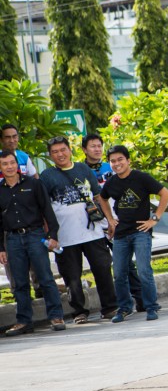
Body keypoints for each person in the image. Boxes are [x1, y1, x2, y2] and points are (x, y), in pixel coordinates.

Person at [40, 136, 119, 324]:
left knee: (102, 268)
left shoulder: (83, 169)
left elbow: (99, 197)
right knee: (72, 276)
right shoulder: (46, 177)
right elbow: (43, 207)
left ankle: (109, 307)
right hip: (65, 235)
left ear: (70, 150)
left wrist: (109, 220)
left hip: (92, 231)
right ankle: (79, 312)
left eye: (63, 150)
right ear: (50, 155)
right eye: (55, 152)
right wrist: (50, 234)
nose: (60, 154)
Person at [98, 145, 168, 322]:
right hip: (121, 234)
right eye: (113, 161)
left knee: (144, 270)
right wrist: (110, 219)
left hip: (141, 231)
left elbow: (165, 194)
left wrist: (155, 218)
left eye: (120, 159)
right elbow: (102, 198)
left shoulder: (141, 178)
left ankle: (151, 307)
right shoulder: (112, 183)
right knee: (119, 273)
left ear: (128, 160)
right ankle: (124, 308)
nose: (117, 164)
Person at [0, 150, 65, 336]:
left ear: (17, 165)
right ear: (1, 167)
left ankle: (56, 316)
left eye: (12, 163)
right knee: (19, 283)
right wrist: (0, 248)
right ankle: (24, 321)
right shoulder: (0, 189)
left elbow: (47, 210)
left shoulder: (34, 184)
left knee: (45, 278)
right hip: (12, 239)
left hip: (35, 236)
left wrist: (53, 234)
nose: (9, 167)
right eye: (5, 164)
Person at [87, 133, 148, 313]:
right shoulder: (82, 170)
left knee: (127, 264)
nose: (97, 149)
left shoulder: (112, 166)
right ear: (84, 149)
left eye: (99, 145)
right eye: (92, 146)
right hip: (95, 224)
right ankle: (116, 305)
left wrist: (114, 219)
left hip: (118, 221)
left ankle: (141, 298)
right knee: (106, 265)